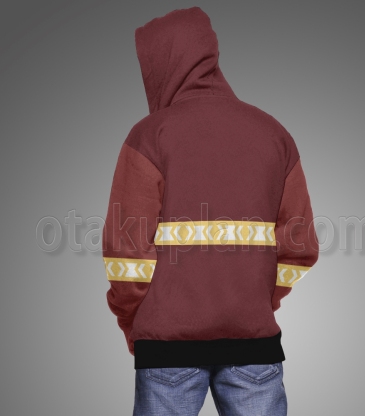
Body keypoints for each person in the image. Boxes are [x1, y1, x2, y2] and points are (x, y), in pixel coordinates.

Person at [101, 6, 319, 416]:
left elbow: (126, 253)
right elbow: (301, 247)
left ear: (163, 64)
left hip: (167, 347)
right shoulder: (273, 134)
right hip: (254, 345)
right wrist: (256, 304)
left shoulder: (149, 136)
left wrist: (134, 324)